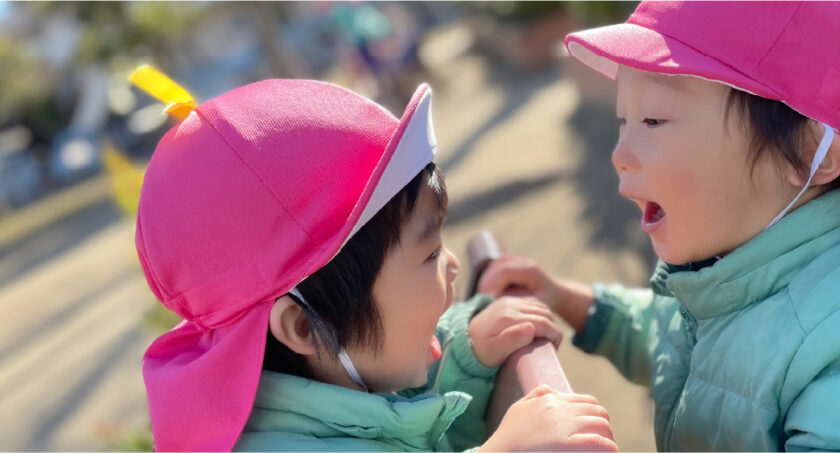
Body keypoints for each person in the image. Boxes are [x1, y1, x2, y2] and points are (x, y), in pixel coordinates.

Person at [478, 2, 840, 450]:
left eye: (655, 120)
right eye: (623, 120)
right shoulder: (737, 265)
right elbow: (686, 345)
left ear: (807, 154)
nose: (620, 153)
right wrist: (569, 300)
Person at [130, 67, 617, 452]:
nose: (451, 265)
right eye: (428, 253)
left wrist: (467, 361)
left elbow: (411, 436)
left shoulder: (346, 386)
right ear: (304, 326)